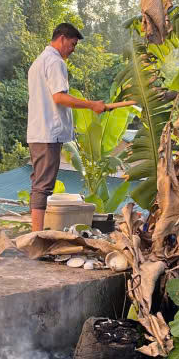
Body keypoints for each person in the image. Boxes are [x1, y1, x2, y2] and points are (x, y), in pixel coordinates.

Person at [26, 22, 106, 232]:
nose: (73, 50)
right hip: (48, 133)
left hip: (37, 131)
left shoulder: (38, 62)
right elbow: (59, 97)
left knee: (39, 183)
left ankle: (36, 232)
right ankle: (37, 234)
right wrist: (92, 105)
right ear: (61, 39)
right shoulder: (55, 62)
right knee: (43, 186)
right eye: (72, 44)